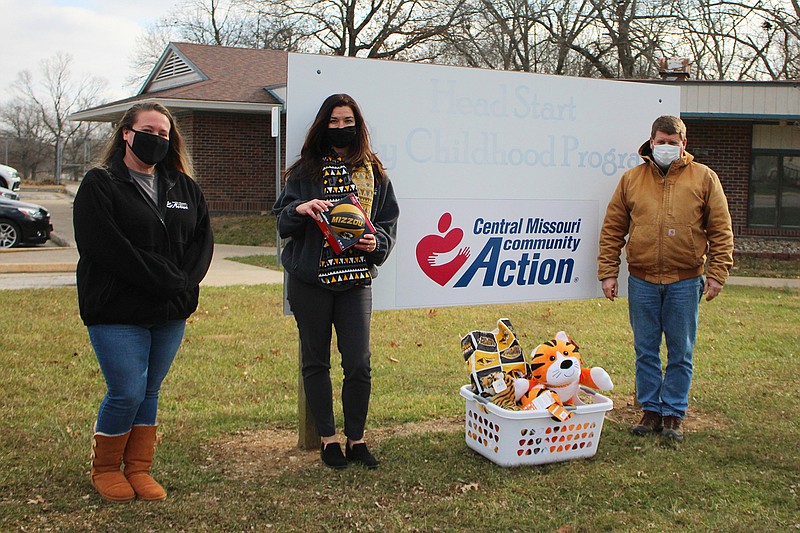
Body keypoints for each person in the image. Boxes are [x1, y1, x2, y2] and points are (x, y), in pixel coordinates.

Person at [73, 102, 214, 501]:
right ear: (126, 133)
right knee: (126, 391)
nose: (157, 139)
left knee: (149, 390)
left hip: (169, 311)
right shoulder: (100, 184)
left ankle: (138, 468)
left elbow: (202, 241)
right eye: (149, 130)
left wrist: (184, 281)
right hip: (117, 310)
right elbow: (106, 247)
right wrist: (167, 280)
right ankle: (105, 469)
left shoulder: (182, 185)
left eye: (164, 134)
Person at [273, 94, 399, 469]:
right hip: (310, 280)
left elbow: (388, 225)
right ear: (322, 127)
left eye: (347, 121)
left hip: (356, 281)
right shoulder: (304, 171)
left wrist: (377, 243)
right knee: (315, 361)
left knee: (358, 363)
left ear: (358, 125)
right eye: (333, 122)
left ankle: (356, 439)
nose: (341, 128)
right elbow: (281, 221)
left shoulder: (375, 173)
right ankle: (328, 440)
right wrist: (301, 209)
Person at [597, 115, 733, 443]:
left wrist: (717, 273)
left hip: (686, 281)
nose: (668, 147)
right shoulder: (632, 179)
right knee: (645, 349)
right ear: (651, 141)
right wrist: (608, 272)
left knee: (680, 351)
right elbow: (613, 228)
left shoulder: (705, 178)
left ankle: (673, 413)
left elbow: (721, 229)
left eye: (674, 142)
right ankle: (650, 411)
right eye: (663, 141)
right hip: (642, 279)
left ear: (684, 144)